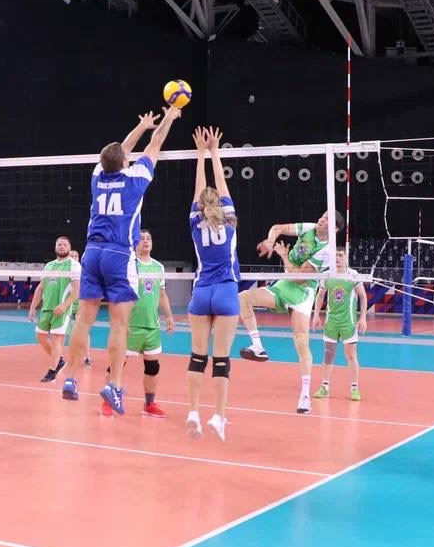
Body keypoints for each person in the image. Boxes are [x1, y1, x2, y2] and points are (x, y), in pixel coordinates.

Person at [59, 106, 182, 413]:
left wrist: (140, 126)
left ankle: (70, 378)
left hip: (91, 253)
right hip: (118, 254)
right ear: (125, 162)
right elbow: (155, 144)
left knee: (83, 319)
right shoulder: (135, 179)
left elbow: (119, 150)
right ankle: (114, 386)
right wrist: (168, 117)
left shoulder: (97, 175)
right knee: (119, 324)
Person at [237, 209, 341, 414]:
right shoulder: (309, 228)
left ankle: (304, 396)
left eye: (327, 218)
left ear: (335, 229)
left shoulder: (327, 251)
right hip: (284, 284)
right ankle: (257, 346)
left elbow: (299, 277)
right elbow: (277, 228)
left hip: (302, 292)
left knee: (301, 341)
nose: (322, 219)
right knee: (244, 298)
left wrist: (284, 255)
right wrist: (269, 242)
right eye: (323, 215)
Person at [184, 127, 240, 440]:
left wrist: (200, 155)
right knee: (221, 361)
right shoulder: (229, 219)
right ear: (219, 202)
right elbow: (221, 183)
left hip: (201, 291)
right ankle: (218, 417)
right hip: (226, 290)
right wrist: (215, 151)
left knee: (197, 357)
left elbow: (200, 189)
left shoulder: (195, 220)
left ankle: (193, 411)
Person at [103, 229, 174, 419]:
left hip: (152, 326)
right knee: (117, 365)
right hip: (130, 325)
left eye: (148, 238)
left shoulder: (158, 267)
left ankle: (149, 404)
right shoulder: (129, 265)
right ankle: (107, 402)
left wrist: (169, 316)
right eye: (142, 239)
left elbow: (161, 293)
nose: (146, 241)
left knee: (153, 367)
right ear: (135, 243)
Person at [311, 248, 368, 402]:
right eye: (335, 255)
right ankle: (324, 387)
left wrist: (363, 318)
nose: (337, 258)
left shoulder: (353, 275)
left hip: (348, 322)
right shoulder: (327, 275)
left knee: (351, 355)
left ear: (346, 257)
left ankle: (354, 388)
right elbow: (320, 296)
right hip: (331, 322)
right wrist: (316, 315)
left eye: (340, 255)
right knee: (328, 353)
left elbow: (363, 297)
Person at [26, 236, 79, 383]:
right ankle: (59, 361)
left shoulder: (73, 265)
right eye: (59, 244)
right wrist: (32, 307)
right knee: (40, 336)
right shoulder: (49, 266)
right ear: (55, 247)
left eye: (64, 245)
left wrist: (64, 305)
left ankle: (52, 371)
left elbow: (77, 290)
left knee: (57, 339)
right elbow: (40, 288)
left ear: (69, 247)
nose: (61, 247)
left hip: (61, 308)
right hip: (46, 307)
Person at [65, 248, 92, 367]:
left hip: (81, 305)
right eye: (71, 256)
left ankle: (87, 357)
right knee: (64, 332)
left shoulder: (84, 271)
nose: (74, 258)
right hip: (67, 306)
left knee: (83, 332)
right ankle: (63, 357)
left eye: (75, 256)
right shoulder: (65, 271)